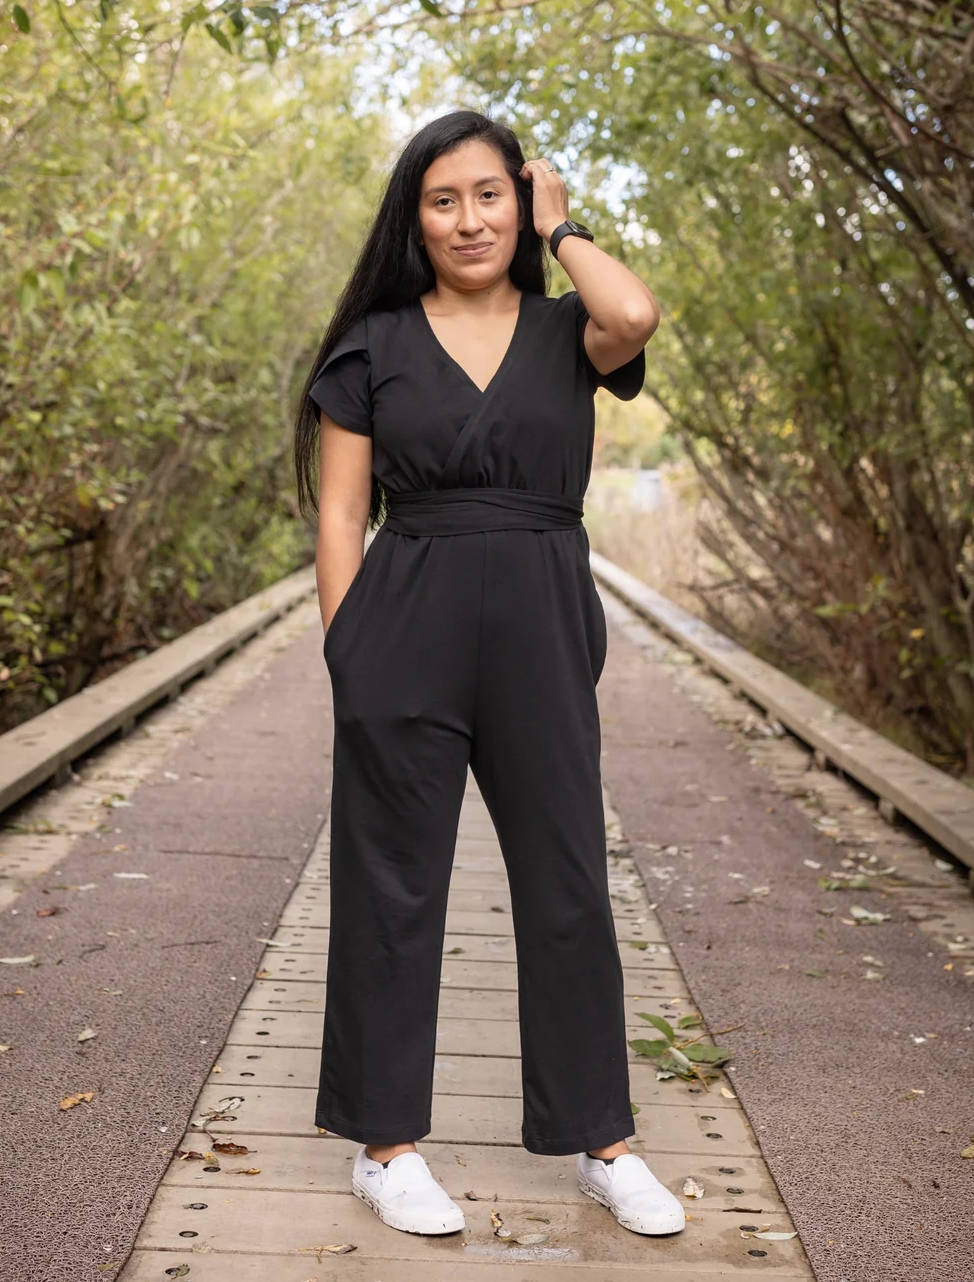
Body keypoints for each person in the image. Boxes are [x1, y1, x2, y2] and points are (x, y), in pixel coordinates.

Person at [291, 109, 685, 1239]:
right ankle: (385, 1146)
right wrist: (350, 650)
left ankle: (602, 1142)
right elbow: (340, 511)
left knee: (567, 880)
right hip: (403, 618)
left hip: (542, 622)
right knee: (391, 883)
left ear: (521, 200)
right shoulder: (372, 344)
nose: (467, 220)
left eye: (488, 195)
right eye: (442, 200)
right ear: (413, 218)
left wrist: (564, 229)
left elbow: (635, 314)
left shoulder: (569, 331)